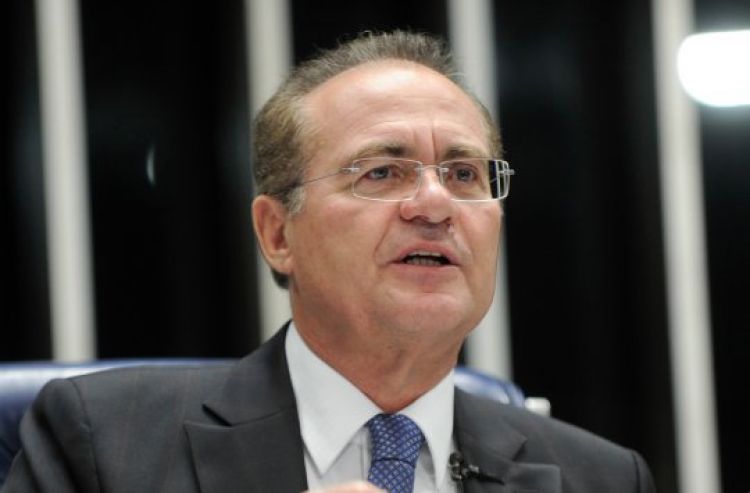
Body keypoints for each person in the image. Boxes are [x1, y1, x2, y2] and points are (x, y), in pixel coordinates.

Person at [2, 30, 656, 492]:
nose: (435, 203)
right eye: (382, 172)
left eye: (463, 174)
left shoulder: (600, 477)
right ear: (277, 233)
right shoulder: (103, 441)